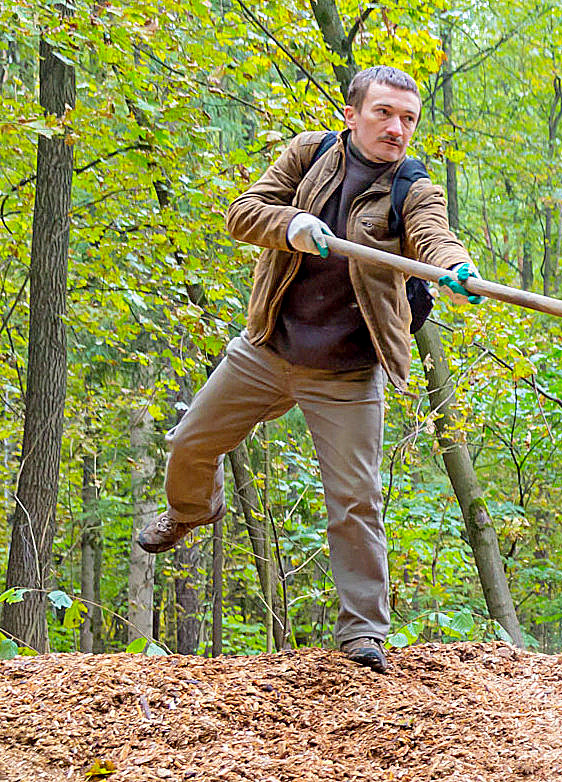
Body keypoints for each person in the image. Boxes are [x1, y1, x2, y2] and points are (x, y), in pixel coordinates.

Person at [134, 65, 481, 673]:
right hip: (268, 348)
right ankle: (193, 510)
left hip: (346, 372)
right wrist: (292, 225)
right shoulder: (311, 153)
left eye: (408, 119)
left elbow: (435, 237)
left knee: (355, 500)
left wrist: (455, 266)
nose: (397, 129)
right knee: (189, 443)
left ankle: (363, 632)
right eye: (384, 114)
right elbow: (244, 211)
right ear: (352, 115)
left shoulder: (413, 187)